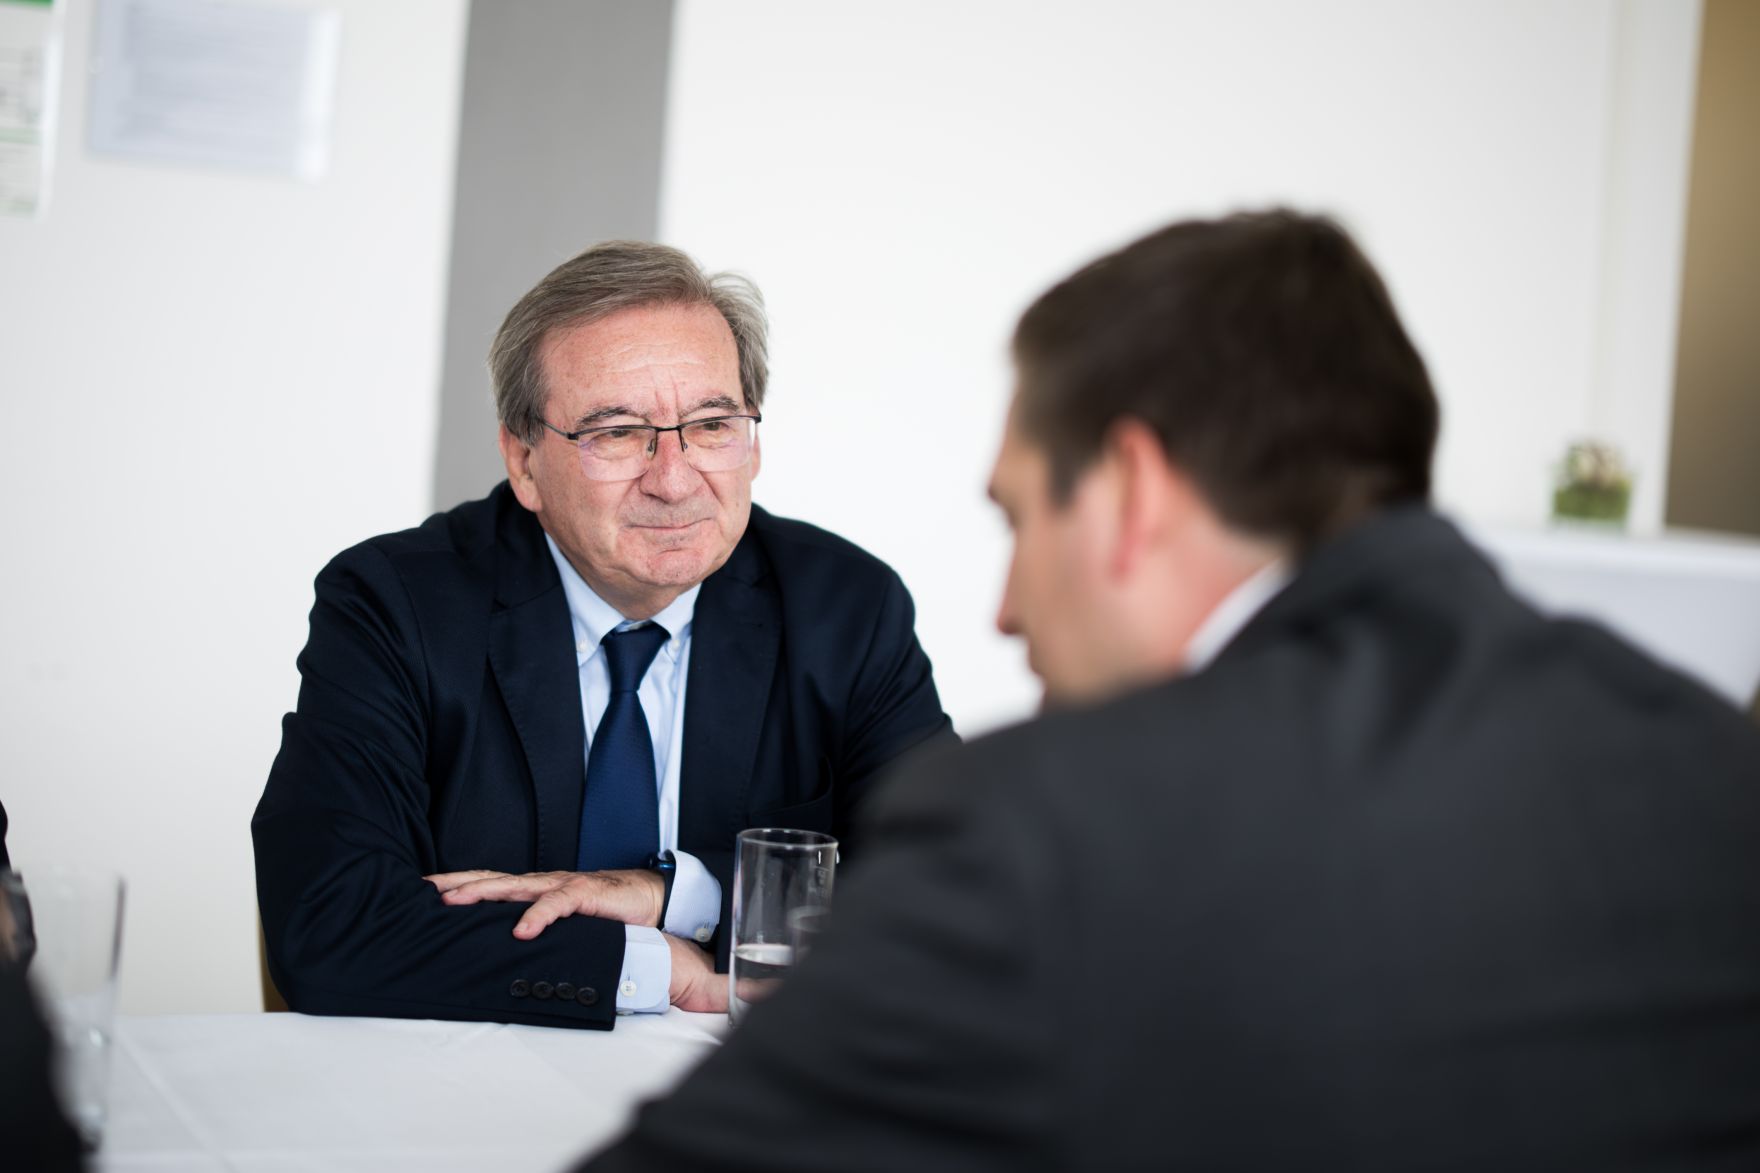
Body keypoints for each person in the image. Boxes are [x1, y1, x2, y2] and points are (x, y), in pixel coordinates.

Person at [579, 211, 1760, 1169]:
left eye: (1022, 516)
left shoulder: (1050, 829)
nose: (1005, 608)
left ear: (1131, 492)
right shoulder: (1708, 759)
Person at [253, 242, 952, 1029]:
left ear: (752, 441)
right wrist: (655, 965)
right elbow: (328, 923)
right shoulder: (396, 604)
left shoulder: (846, 608)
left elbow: (959, 891)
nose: (675, 477)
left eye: (712, 423)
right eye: (617, 432)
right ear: (523, 460)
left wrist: (677, 893)